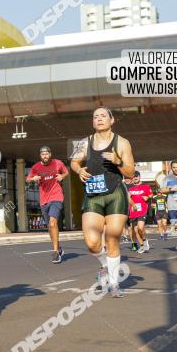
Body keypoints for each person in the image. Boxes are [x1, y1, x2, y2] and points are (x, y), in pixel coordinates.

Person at [70, 106, 136, 298]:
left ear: (112, 120)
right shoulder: (84, 142)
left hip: (115, 193)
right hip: (93, 195)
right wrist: (79, 170)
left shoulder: (122, 143)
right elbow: (74, 161)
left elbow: (130, 173)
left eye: (103, 116)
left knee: (112, 238)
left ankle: (114, 284)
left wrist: (118, 161)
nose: (99, 119)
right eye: (95, 117)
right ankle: (105, 266)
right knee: (91, 243)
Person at [27, 145, 69, 263]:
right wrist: (33, 178)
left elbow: (66, 172)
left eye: (46, 154)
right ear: (40, 156)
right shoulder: (36, 167)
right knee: (50, 228)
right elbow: (28, 179)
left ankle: (55, 252)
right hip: (43, 200)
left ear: (50, 154)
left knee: (52, 223)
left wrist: (62, 176)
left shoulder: (57, 163)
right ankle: (59, 248)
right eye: (42, 154)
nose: (44, 156)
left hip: (56, 197)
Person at [128, 171, 152, 254]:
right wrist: (132, 203)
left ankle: (145, 240)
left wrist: (147, 198)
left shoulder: (145, 186)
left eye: (136, 176)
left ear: (139, 177)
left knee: (140, 228)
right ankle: (142, 246)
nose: (135, 178)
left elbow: (150, 195)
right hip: (133, 211)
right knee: (136, 230)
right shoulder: (130, 188)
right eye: (133, 177)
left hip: (142, 210)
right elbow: (127, 198)